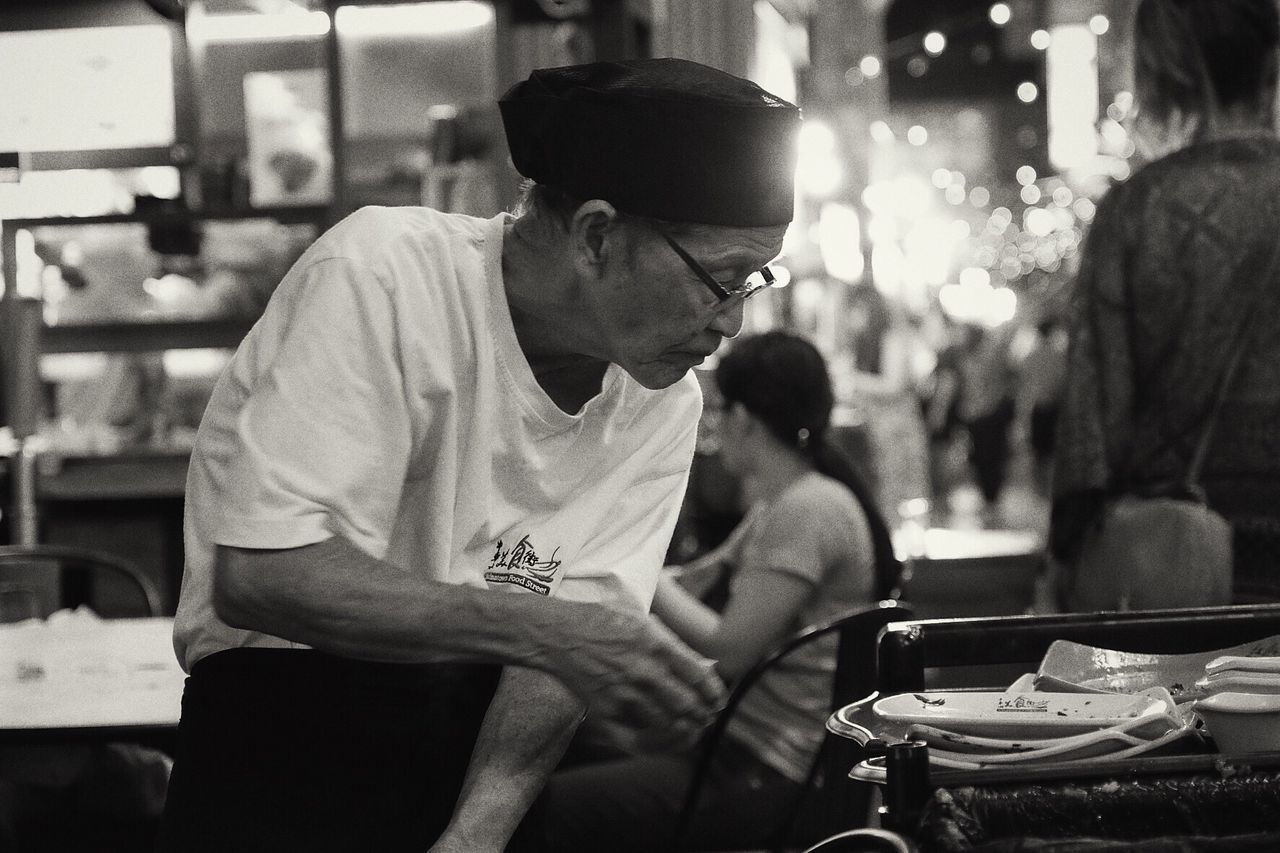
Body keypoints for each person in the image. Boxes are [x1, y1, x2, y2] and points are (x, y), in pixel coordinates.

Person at [157, 58, 801, 853]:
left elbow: (561, 656)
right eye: (724, 279)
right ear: (597, 235)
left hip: (481, 759)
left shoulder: (661, 398)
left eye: (755, 282)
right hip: (277, 742)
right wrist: (544, 626)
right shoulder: (388, 273)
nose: (731, 322)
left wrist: (474, 835)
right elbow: (265, 572)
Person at [522, 331, 900, 853]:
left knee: (546, 805)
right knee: (567, 744)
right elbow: (694, 580)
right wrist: (628, 571)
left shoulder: (809, 508)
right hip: (736, 748)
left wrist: (630, 567)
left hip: (766, 769)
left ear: (742, 418)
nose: (712, 423)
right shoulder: (783, 500)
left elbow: (728, 650)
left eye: (718, 410)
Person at [1050, 0, 1280, 604]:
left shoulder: (1137, 211)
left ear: (1161, 69)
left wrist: (1065, 560)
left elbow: (1091, 432)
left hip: (1182, 569)